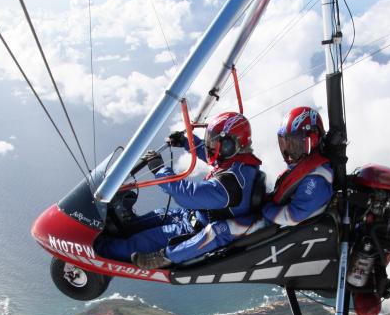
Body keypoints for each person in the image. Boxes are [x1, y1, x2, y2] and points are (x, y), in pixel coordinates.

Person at [96, 111, 264, 269]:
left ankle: (95, 250)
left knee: (138, 243)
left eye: (215, 142)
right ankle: (110, 233)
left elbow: (186, 193)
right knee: (149, 219)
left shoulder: (230, 185)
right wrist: (186, 142)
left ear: (229, 145)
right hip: (190, 216)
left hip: (193, 232)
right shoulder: (241, 164)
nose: (210, 146)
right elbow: (211, 156)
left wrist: (159, 169)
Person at [262, 106, 334, 226]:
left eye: (294, 144)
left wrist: (265, 209)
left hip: (299, 232)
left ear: (313, 140)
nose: (288, 152)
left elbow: (294, 215)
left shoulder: (317, 176)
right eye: (286, 144)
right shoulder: (303, 168)